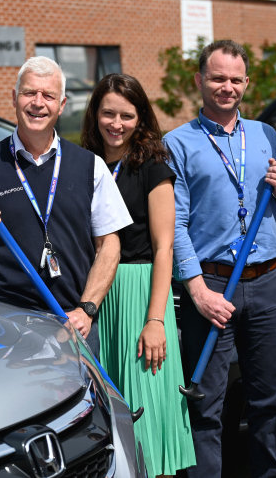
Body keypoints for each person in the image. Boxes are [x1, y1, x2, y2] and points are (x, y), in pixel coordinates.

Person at [163, 39, 276, 478]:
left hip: (267, 284)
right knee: (206, 406)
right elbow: (176, 226)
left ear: (247, 82)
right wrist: (197, 290)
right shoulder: (178, 143)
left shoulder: (265, 134)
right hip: (213, 287)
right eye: (218, 78)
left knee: (267, 403)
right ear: (200, 80)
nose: (227, 87)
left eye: (236, 79)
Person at [0, 56, 131, 353]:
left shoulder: (90, 166)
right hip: (4, 326)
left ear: (62, 104)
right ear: (15, 98)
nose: (38, 103)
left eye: (48, 95)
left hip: (71, 325)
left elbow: (109, 245)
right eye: (30, 93)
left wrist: (87, 309)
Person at [80, 73, 195, 477]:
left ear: (140, 118)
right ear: (94, 114)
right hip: (97, 296)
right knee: (110, 421)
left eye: (126, 115)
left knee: (146, 413)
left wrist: (155, 320)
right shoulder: (84, 164)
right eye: (108, 113)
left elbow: (166, 248)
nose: (116, 123)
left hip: (140, 293)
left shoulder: (152, 166)